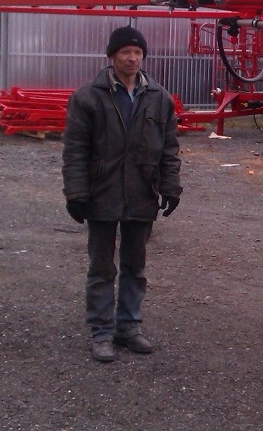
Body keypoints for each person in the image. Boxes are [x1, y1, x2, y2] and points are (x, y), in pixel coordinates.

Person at [61, 25, 182, 362]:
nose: (132, 58)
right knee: (102, 267)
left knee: (135, 266)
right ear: (112, 56)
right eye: (126, 52)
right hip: (102, 192)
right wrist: (76, 192)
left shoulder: (159, 98)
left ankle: (128, 328)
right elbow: (75, 150)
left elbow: (169, 149)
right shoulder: (88, 97)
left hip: (143, 191)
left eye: (138, 53)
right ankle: (101, 332)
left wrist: (170, 186)